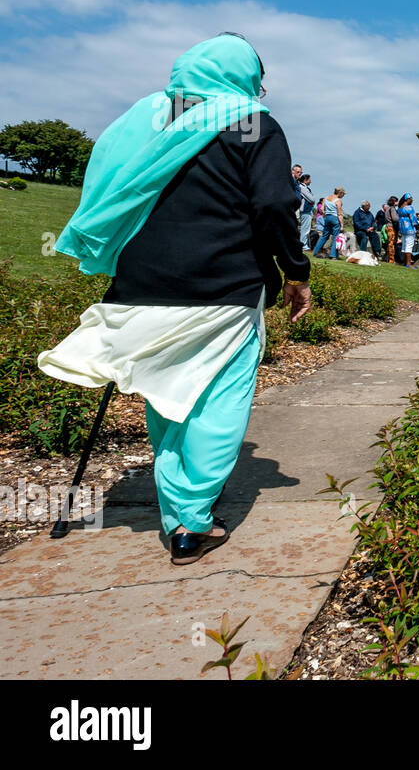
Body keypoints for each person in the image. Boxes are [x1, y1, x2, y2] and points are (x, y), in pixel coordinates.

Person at [38, 33, 311, 565]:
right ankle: (191, 522)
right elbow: (276, 203)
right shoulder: (251, 121)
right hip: (223, 286)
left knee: (164, 395)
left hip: (142, 281)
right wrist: (295, 271)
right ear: (246, 75)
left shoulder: (148, 121)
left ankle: (177, 508)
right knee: (217, 400)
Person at [311, 187, 346, 259]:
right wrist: (342, 225)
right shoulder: (338, 201)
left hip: (327, 218)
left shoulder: (326, 198)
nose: (343, 196)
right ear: (340, 193)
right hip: (335, 218)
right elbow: (339, 214)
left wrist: (325, 215)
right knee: (335, 237)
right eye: (343, 194)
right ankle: (333, 255)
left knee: (324, 236)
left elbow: (321, 209)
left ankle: (315, 252)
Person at [395, 193, 419, 268]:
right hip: (409, 229)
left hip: (402, 229)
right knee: (409, 246)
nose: (412, 201)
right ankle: (408, 264)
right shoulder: (409, 208)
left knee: (404, 246)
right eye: (411, 200)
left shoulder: (399, 209)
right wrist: (418, 227)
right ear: (407, 199)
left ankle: (404, 262)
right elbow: (413, 219)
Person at [296, 173, 314, 251]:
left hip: (307, 210)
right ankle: (303, 245)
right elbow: (312, 199)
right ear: (305, 180)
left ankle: (304, 244)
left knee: (306, 228)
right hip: (305, 210)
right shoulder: (302, 187)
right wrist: (312, 199)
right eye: (309, 179)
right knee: (305, 229)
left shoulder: (305, 187)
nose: (310, 181)